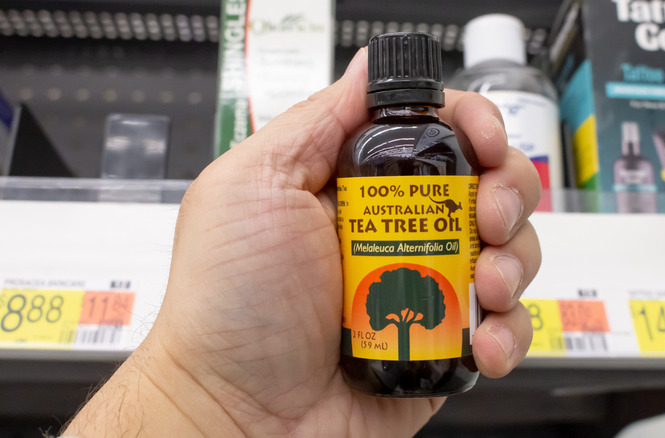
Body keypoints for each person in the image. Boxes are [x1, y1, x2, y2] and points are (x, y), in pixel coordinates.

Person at [62, 47, 542, 438]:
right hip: (338, 361)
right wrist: (200, 394)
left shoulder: (444, 145)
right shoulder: (365, 147)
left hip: (434, 348)